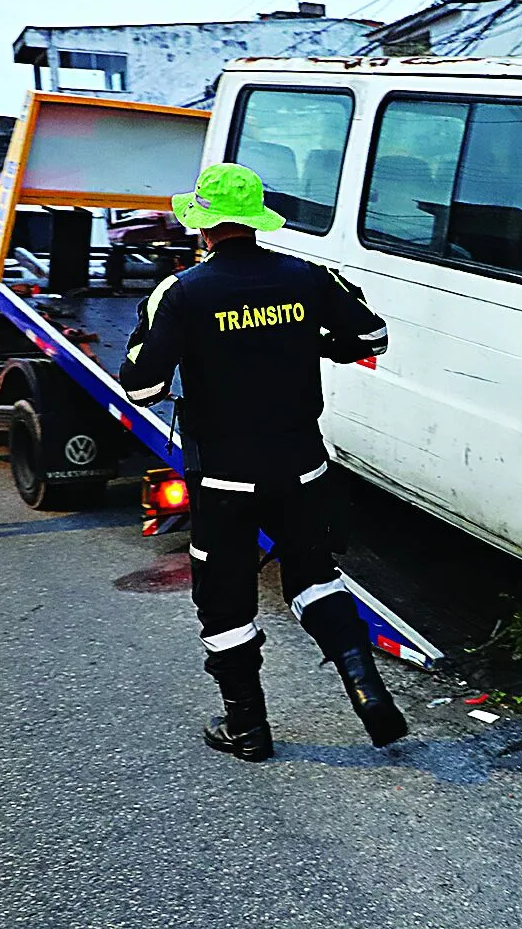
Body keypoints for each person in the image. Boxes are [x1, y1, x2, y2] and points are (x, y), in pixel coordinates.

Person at [119, 162, 407, 761]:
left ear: (201, 226)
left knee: (225, 600)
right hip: (304, 464)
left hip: (224, 476)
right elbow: (373, 337)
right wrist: (320, 343)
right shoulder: (307, 276)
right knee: (312, 576)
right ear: (256, 222)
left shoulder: (182, 292)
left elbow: (141, 388)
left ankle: (247, 728)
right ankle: (367, 691)